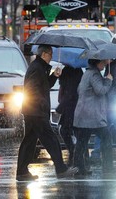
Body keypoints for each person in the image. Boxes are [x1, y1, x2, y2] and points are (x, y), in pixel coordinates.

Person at [16, 45, 78, 181]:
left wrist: (54, 76)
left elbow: (44, 86)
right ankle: (60, 169)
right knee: (51, 139)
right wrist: (41, 104)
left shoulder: (40, 67)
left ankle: (22, 172)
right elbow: (32, 89)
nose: (51, 57)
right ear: (44, 54)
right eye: (50, 54)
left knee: (29, 141)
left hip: (33, 110)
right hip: (36, 111)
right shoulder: (37, 68)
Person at [73, 59, 114, 176]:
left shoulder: (87, 73)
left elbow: (79, 90)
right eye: (103, 62)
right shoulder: (94, 74)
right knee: (106, 138)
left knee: (81, 142)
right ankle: (108, 167)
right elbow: (100, 91)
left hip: (83, 115)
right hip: (93, 117)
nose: (105, 64)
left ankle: (78, 168)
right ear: (97, 62)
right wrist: (108, 81)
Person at [56, 65, 83, 166]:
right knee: (73, 131)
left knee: (67, 130)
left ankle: (75, 153)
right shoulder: (72, 70)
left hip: (72, 107)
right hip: (71, 106)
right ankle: (77, 154)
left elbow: (70, 93)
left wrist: (59, 108)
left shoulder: (72, 71)